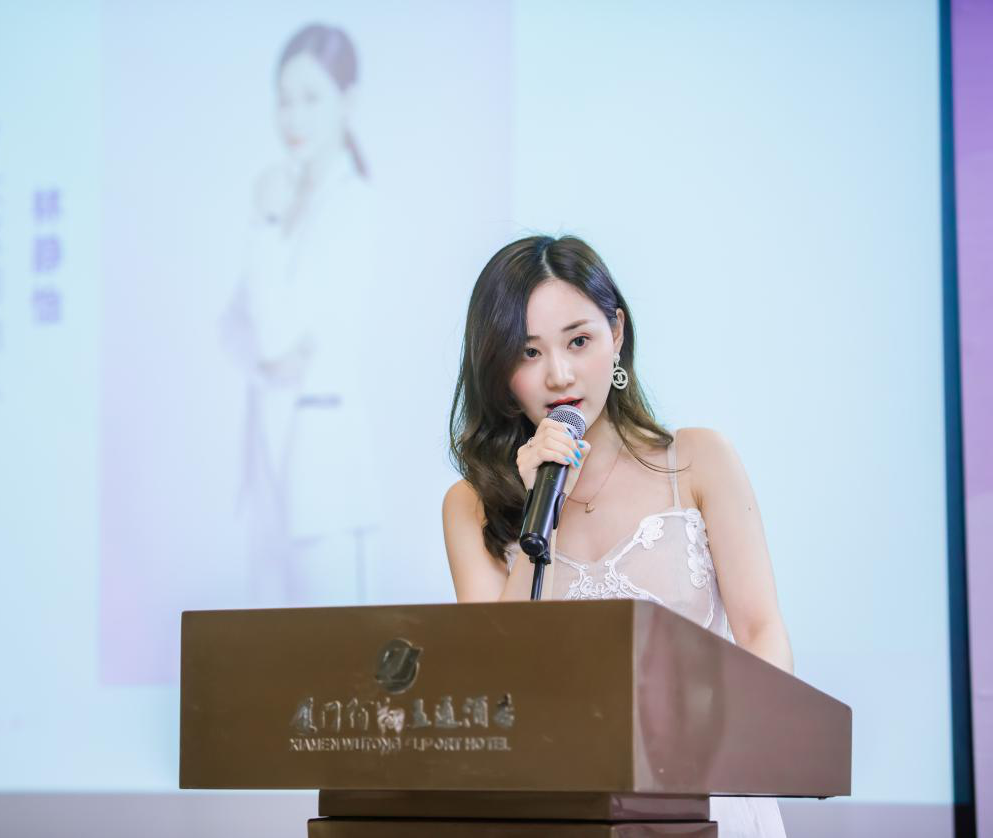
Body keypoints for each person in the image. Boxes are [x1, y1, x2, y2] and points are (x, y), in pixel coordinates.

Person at [442, 235, 792, 838]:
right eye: (528, 352)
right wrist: (541, 507)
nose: (559, 374)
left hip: (705, 795)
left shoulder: (699, 459)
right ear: (499, 372)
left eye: (579, 341)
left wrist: (722, 755)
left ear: (617, 334)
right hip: (563, 812)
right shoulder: (470, 506)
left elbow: (763, 633)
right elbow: (495, 680)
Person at [221, 23, 379, 607]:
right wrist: (273, 360)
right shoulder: (290, 198)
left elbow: (272, 336)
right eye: (284, 100)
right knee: (269, 651)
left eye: (311, 98)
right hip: (270, 463)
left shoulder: (352, 207)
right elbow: (233, 332)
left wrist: (264, 225)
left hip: (324, 475)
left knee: (331, 654)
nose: (293, 117)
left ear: (348, 101)